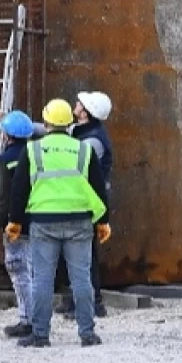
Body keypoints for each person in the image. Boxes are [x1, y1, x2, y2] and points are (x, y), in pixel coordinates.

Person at [7, 99, 111, 348]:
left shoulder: (32, 150)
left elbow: (19, 190)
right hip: (79, 221)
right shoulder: (83, 150)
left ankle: (40, 335)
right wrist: (103, 221)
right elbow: (98, 189)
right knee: (81, 280)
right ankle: (87, 334)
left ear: (46, 122)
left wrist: (15, 221)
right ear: (68, 124)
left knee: (42, 279)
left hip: (43, 222)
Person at [0, 110, 37, 338]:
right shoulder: (37, 154)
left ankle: (28, 321)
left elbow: (1, 198)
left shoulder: (4, 160)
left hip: (15, 224)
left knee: (19, 272)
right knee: (35, 272)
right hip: (39, 220)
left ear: (6, 135)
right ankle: (37, 319)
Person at [65, 90, 114, 318]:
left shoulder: (93, 141)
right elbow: (53, 130)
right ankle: (73, 300)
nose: (75, 105)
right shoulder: (82, 131)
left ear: (85, 112)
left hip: (88, 201)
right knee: (76, 253)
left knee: (86, 255)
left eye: (78, 104)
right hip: (82, 199)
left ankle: (94, 303)